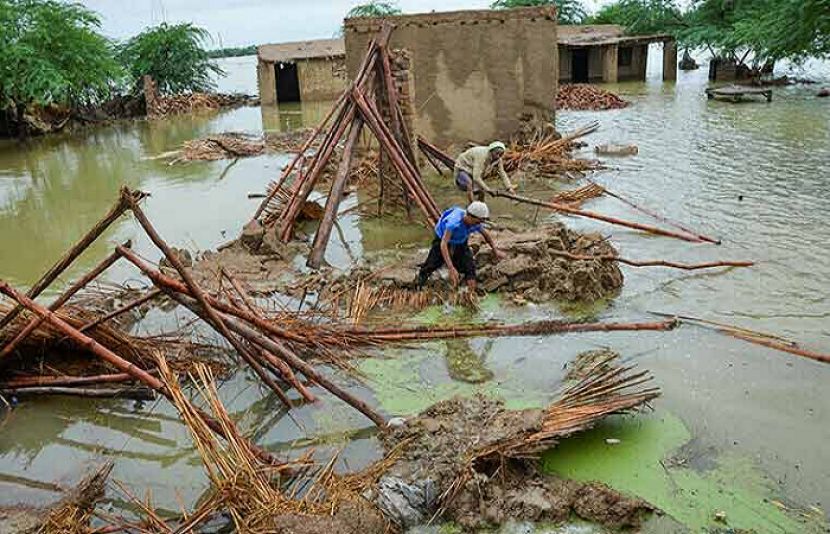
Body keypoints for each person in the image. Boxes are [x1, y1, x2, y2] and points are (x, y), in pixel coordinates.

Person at [417, 201, 505, 290]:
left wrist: (495, 250)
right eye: (477, 222)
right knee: (433, 263)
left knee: (469, 265)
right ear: (470, 216)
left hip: (461, 240)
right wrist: (451, 268)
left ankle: (470, 292)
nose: (478, 225)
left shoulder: (475, 223)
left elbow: (486, 235)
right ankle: (418, 286)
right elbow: (443, 244)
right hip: (443, 237)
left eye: (479, 222)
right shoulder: (454, 223)